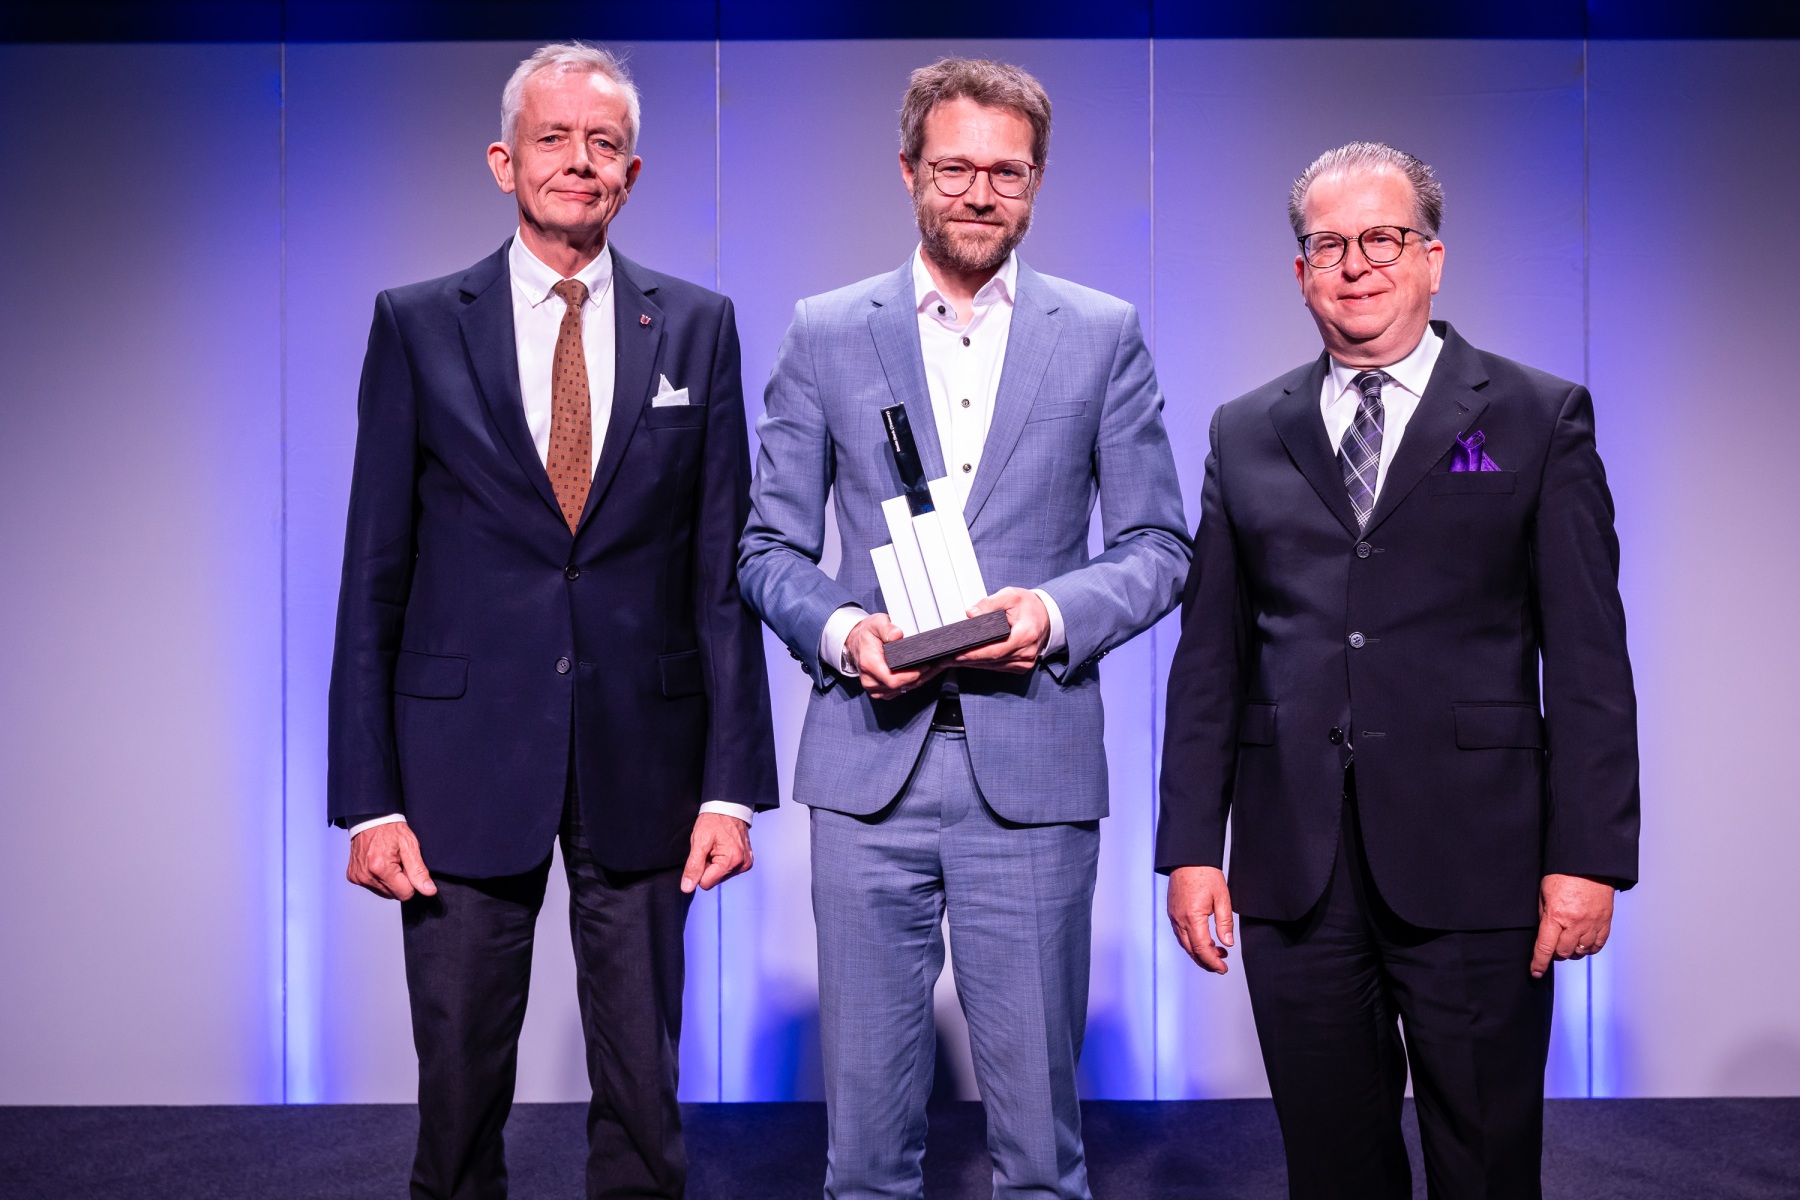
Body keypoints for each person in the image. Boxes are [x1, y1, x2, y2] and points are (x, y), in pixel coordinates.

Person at [327, 42, 777, 1200]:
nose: (580, 160)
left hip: (649, 762)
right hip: (459, 763)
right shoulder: (418, 325)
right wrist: (369, 799)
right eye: (554, 138)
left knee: (645, 1098)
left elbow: (720, 572)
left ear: (632, 171)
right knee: (458, 1097)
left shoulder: (698, 327)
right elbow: (374, 571)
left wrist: (731, 788)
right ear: (503, 161)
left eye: (604, 143)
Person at [739, 57, 1189, 1200]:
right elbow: (766, 550)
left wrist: (1052, 611)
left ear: (1037, 180)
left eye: (1008, 171)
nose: (981, 192)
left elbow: (1158, 547)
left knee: (1040, 1153)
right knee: (864, 1159)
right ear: (908, 172)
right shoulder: (828, 332)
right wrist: (846, 630)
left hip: (1032, 764)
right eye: (955, 169)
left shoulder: (1101, 334)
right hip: (868, 770)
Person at [1157, 141, 1640, 1199]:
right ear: (1300, 271)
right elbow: (1210, 659)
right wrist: (1191, 847)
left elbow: (1590, 659)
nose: (1356, 265)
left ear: (1432, 258)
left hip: (1481, 863)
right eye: (1329, 244)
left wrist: (1590, 857)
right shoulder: (1245, 429)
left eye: (1383, 239)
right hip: (1295, 871)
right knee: (1332, 1169)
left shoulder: (1538, 416)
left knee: (1485, 1166)